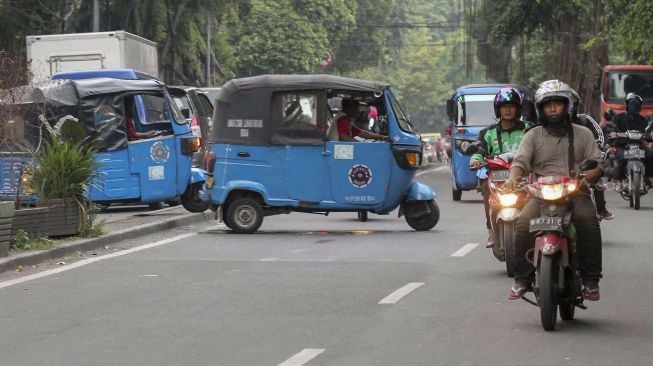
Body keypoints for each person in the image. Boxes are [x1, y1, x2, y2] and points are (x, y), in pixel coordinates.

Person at [504, 80, 604, 301]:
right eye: (548, 105)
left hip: (575, 193)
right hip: (540, 195)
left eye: (557, 104)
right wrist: (513, 179)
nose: (553, 108)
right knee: (522, 223)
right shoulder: (533, 135)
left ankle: (590, 280)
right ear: (540, 109)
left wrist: (586, 179)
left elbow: (597, 164)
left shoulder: (583, 134)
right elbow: (520, 162)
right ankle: (522, 279)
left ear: (567, 106)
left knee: (588, 220)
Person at [469, 87, 532, 248]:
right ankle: (491, 229)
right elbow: (480, 150)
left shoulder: (530, 129)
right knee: (484, 186)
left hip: (524, 175)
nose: (508, 109)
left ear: (518, 108)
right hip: (497, 176)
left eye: (511, 106)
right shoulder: (487, 133)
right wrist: (475, 159)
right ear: (498, 110)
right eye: (504, 106)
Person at [569, 89, 614, 220]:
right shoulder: (545, 127)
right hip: (558, 166)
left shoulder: (585, 120)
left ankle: (601, 208)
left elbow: (599, 134)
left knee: (596, 178)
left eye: (567, 103)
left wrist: (597, 148)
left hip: (585, 160)